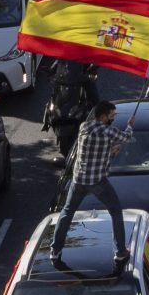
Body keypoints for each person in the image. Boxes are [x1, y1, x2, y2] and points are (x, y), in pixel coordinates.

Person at [54, 101, 129, 275]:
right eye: (112, 115)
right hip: (98, 182)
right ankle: (120, 252)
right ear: (103, 115)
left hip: (78, 180)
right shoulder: (107, 131)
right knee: (116, 211)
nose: (113, 118)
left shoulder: (84, 127)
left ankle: (55, 250)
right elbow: (126, 137)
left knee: (67, 211)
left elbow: (94, 150)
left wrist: (110, 151)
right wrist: (130, 126)